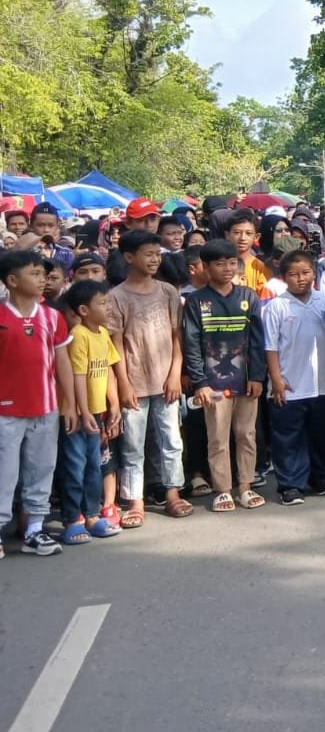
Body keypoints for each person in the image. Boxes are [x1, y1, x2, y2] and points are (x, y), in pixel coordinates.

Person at [107, 231, 189, 524]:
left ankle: (173, 493)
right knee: (133, 445)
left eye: (157, 254)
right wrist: (124, 383)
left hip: (166, 380)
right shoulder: (116, 297)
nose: (155, 260)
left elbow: (177, 337)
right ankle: (135, 501)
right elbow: (116, 345)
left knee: (172, 440)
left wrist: (175, 373)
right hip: (134, 382)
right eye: (148, 254)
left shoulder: (168, 292)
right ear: (129, 257)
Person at [183, 239, 268, 512]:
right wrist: (200, 382)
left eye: (232, 263)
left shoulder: (248, 297)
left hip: (246, 380)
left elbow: (258, 341)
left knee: (246, 434)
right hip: (213, 384)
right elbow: (191, 343)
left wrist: (257, 377)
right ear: (206, 267)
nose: (227, 268)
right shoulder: (196, 301)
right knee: (218, 438)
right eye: (220, 264)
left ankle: (245, 486)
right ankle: (222, 490)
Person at [0, 249, 75, 556]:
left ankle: (34, 530)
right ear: (12, 280)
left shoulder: (52, 317)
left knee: (41, 468)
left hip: (45, 407)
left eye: (43, 274)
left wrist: (69, 402)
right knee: (5, 472)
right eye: (34, 273)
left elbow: (63, 361)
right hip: (6, 410)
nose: (42, 279)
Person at [263, 249, 325, 505]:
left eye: (306, 272)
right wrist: (276, 380)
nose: (301, 279)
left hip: (321, 384)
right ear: (284, 277)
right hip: (289, 384)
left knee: (320, 433)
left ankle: (320, 477)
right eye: (294, 274)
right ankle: (290, 485)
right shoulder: (277, 306)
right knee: (288, 437)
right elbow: (270, 347)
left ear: (314, 274)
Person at [59, 281, 124, 542]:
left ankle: (92, 515)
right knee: (75, 465)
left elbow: (107, 368)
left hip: (96, 411)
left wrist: (114, 404)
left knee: (94, 465)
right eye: (102, 303)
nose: (108, 307)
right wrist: (83, 411)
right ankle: (72, 519)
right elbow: (78, 375)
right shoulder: (78, 335)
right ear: (84, 310)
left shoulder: (103, 333)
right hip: (77, 413)